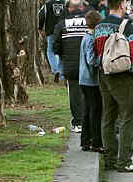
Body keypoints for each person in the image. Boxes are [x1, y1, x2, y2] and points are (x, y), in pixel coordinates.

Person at [94, 0, 133, 172]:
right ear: (122, 5)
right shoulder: (127, 25)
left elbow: (95, 52)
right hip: (123, 76)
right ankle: (124, 161)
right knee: (128, 117)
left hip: (104, 74)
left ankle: (110, 158)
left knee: (108, 116)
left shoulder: (99, 26)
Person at [54, 0, 87, 133]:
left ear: (69, 9)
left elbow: (56, 46)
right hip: (88, 63)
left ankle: (78, 122)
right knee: (89, 91)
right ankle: (88, 120)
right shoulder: (90, 22)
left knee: (74, 92)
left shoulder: (62, 24)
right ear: (81, 7)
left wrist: (63, 55)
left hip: (70, 63)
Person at [79, 10, 103, 152]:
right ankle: (96, 141)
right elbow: (91, 59)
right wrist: (101, 60)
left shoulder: (85, 37)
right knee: (95, 110)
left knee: (88, 110)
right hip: (91, 80)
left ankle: (85, 140)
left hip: (84, 79)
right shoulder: (91, 39)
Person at [38, 0, 66, 83]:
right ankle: (61, 74)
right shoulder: (64, 3)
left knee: (50, 51)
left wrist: (40, 27)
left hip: (51, 31)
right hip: (63, 31)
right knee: (61, 52)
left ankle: (55, 69)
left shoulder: (47, 4)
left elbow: (41, 15)